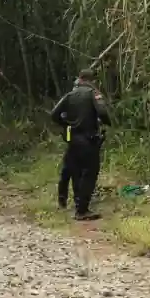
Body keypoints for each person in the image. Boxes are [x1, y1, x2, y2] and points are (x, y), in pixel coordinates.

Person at [50, 69, 112, 219]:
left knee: (76, 172)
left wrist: (65, 124)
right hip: (88, 139)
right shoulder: (93, 93)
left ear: (80, 79)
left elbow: (54, 114)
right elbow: (102, 112)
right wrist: (107, 123)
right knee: (90, 173)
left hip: (72, 140)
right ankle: (82, 210)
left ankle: (76, 205)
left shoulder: (70, 95)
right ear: (92, 80)